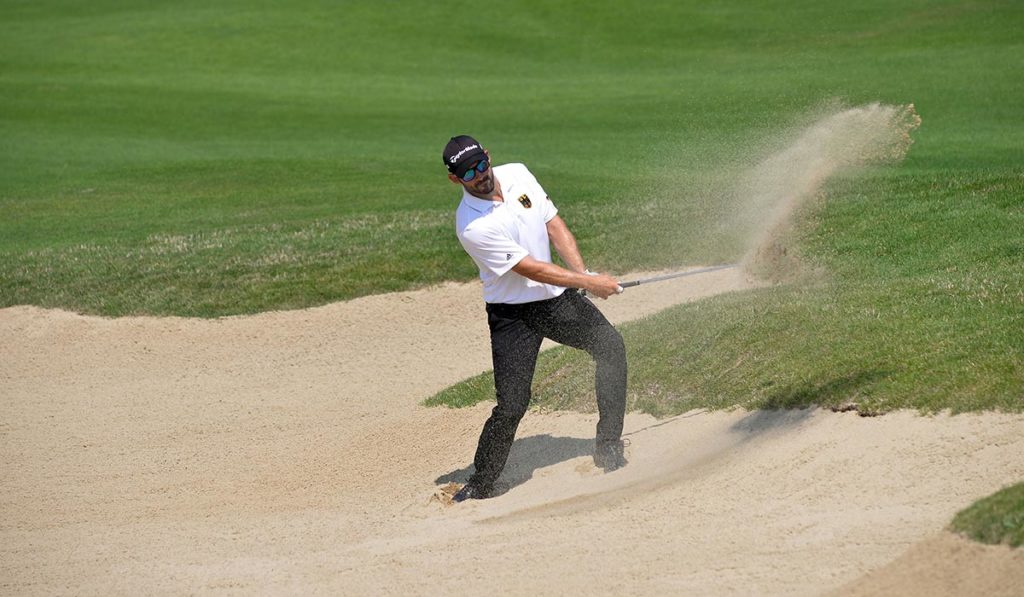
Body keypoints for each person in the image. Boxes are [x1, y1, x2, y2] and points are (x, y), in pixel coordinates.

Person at [442, 134, 629, 503]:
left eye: (482, 164)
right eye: (469, 173)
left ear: (488, 156)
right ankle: (482, 482)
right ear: (455, 180)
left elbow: (554, 225)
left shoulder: (518, 174)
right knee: (512, 404)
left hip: (554, 301)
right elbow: (532, 269)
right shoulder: (472, 226)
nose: (480, 175)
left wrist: (582, 273)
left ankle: (608, 445)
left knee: (610, 347)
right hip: (513, 316)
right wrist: (589, 282)